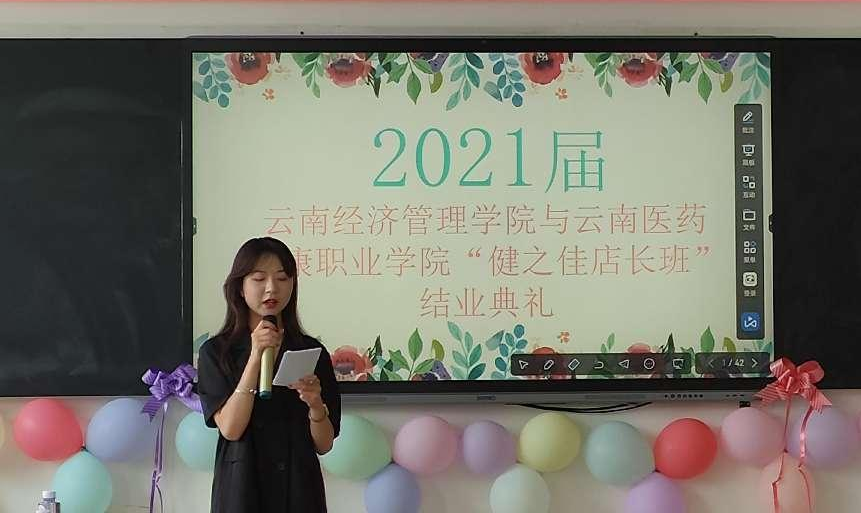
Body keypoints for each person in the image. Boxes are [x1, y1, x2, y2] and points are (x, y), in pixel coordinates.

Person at [197, 237, 341, 512]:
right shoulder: (216, 352)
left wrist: (315, 405)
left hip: (298, 491)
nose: (272, 288)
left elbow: (324, 444)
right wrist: (256, 356)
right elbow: (231, 428)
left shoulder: (310, 351)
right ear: (240, 288)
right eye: (259, 278)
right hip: (243, 489)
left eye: (282, 278)